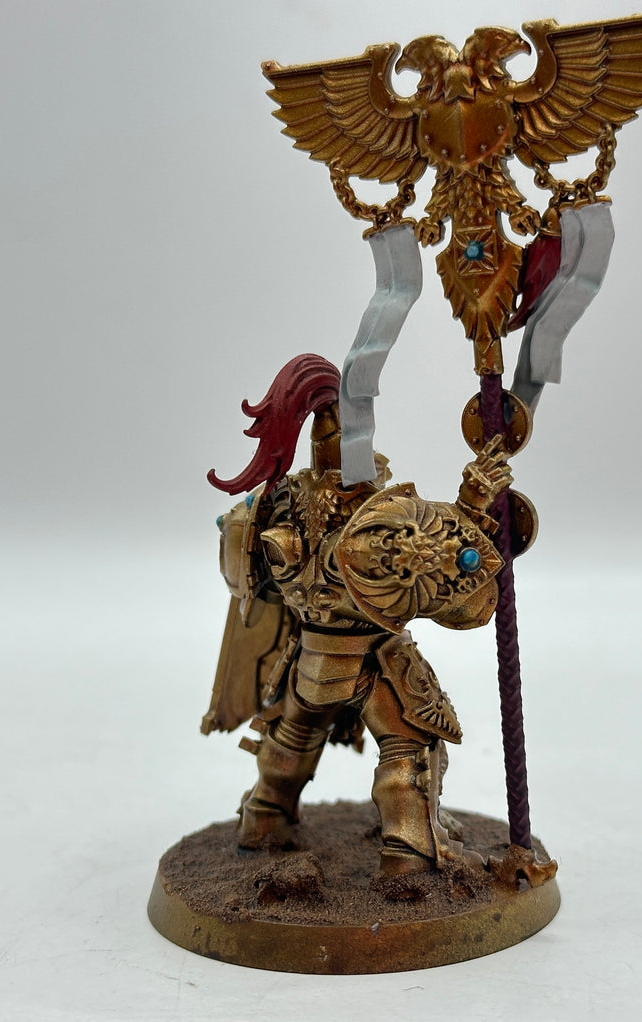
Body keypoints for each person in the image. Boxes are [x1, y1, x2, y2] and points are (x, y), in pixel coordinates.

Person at [202, 353, 511, 885]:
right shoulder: (366, 523)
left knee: (291, 740)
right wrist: (477, 501)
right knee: (410, 746)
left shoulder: (270, 511)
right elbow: (441, 563)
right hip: (375, 660)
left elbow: (249, 589)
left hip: (307, 660)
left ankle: (264, 818)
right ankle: (409, 854)